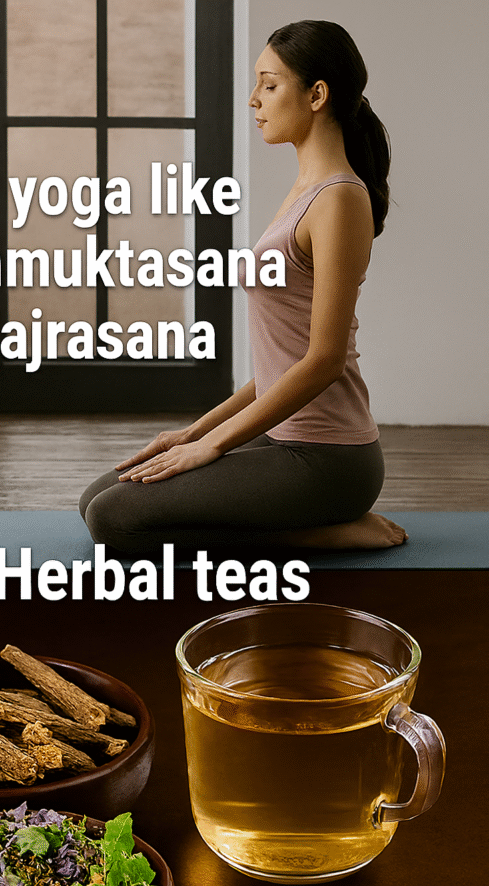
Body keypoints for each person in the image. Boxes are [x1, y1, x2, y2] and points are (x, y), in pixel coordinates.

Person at [79, 20, 407, 555]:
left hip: (328, 457)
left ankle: (320, 532)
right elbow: (278, 365)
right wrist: (191, 434)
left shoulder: (341, 199)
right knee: (98, 500)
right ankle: (299, 523)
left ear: (317, 94)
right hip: (284, 436)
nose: (254, 100)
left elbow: (323, 360)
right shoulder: (305, 189)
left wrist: (211, 449)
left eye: (269, 84)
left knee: (116, 521)